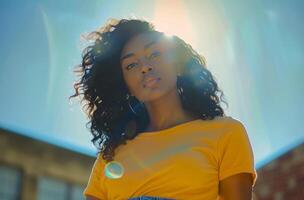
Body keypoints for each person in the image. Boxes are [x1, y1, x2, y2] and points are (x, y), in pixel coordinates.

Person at [70, 18, 257, 200]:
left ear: (177, 63)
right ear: (125, 85)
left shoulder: (225, 133)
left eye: (154, 54)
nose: (144, 67)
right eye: (131, 65)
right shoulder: (110, 156)